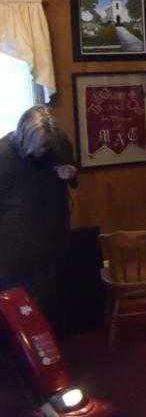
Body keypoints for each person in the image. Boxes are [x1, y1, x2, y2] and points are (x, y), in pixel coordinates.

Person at [0, 107, 77, 320]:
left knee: (47, 308)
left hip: (51, 242)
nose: (43, 151)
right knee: (19, 315)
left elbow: (72, 170)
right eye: (39, 146)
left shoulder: (59, 143)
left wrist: (71, 173)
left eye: (47, 146)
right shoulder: (3, 157)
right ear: (24, 137)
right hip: (14, 253)